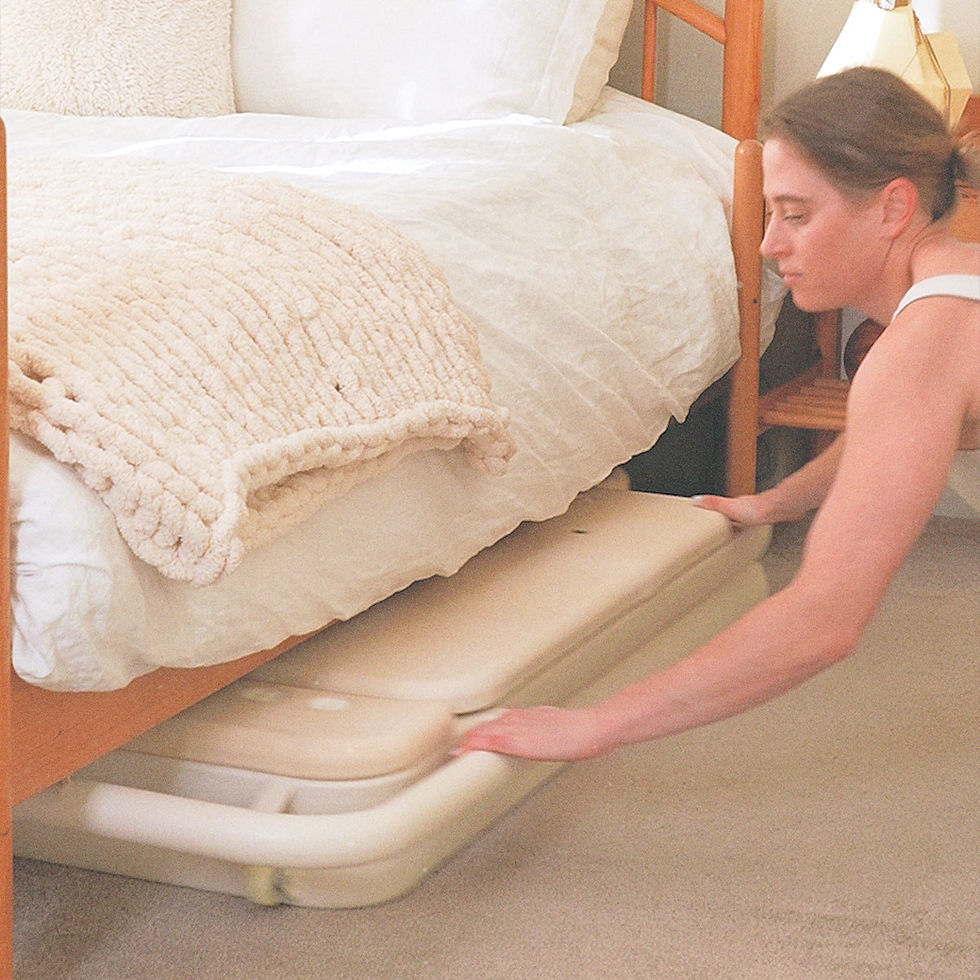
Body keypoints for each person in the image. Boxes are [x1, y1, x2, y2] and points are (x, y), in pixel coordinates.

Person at [456, 66, 980, 763]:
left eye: (796, 214)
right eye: (770, 214)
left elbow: (823, 620)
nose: (769, 244)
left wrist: (595, 725)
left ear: (892, 208)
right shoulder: (957, 282)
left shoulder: (920, 346)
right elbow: (894, 439)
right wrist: (778, 502)